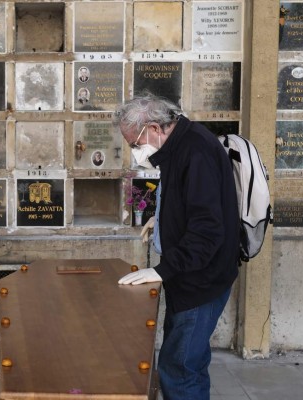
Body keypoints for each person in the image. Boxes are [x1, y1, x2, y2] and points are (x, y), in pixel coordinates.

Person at [113, 93, 240, 400]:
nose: (134, 151)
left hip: (200, 281)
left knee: (180, 367)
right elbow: (192, 204)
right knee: (187, 359)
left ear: (154, 128)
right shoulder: (180, 144)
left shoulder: (196, 152)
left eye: (134, 143)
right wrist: (163, 220)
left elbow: (207, 232)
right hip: (188, 276)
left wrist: (160, 271)